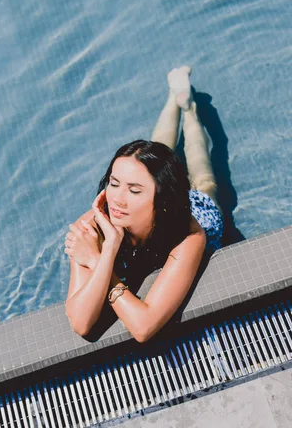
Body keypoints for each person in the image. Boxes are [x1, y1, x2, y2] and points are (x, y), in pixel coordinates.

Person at [65, 66, 223, 342]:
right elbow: (81, 323)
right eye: (113, 183)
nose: (117, 199)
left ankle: (190, 111)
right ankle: (175, 98)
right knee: (152, 155)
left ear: (160, 199)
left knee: (203, 177)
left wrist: (95, 259)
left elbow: (144, 327)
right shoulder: (92, 228)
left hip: (198, 210)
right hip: (159, 199)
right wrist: (110, 245)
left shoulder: (190, 234)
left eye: (134, 191)